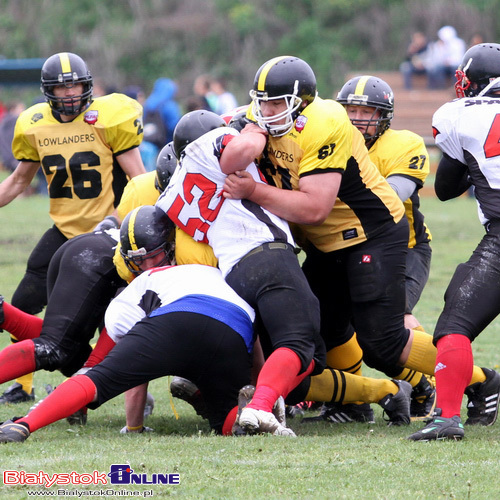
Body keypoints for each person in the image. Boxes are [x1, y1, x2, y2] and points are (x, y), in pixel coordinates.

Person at [222, 55, 497, 426]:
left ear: (301, 101)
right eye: (262, 102)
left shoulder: (326, 122)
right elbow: (229, 160)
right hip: (325, 243)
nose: (267, 110)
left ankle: (481, 381)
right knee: (313, 333)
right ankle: (355, 401)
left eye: (277, 103)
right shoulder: (258, 119)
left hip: (371, 235)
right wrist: (250, 134)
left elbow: (316, 207)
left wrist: (252, 189)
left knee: (382, 343)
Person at [157, 109, 414, 434]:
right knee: (303, 350)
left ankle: (256, 400)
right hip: (268, 258)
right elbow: (244, 155)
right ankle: (263, 407)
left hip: (231, 277)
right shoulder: (230, 151)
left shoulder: (172, 189)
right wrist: (254, 128)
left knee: (282, 361)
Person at [0, 215, 266, 442]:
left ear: (172, 246)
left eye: (153, 257)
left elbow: (111, 360)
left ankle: (24, 424)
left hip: (170, 318)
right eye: (140, 261)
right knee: (226, 418)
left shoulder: (145, 276)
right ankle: (254, 417)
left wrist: (133, 425)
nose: (148, 265)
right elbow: (254, 343)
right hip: (235, 326)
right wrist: (263, 393)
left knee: (81, 366)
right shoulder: (218, 267)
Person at [0, 52, 146, 405]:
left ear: (87, 85)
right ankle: (24, 384)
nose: (69, 94)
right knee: (22, 303)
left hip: (108, 235)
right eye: (62, 87)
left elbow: (139, 178)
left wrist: (134, 226)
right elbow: (19, 180)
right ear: (48, 91)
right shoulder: (34, 123)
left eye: (75, 85)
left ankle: (126, 388)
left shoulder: (108, 119)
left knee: (111, 318)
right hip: (63, 231)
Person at [408, 43, 500, 441]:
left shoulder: (459, 117)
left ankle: (446, 418)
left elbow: (444, 188)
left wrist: (467, 159)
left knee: (455, 324)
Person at [336, 75, 435, 420]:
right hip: (348, 247)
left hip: (402, 248)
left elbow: (389, 200)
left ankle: (460, 379)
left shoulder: (403, 143)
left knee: (391, 324)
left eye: (367, 111)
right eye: (351, 110)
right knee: (342, 327)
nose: (358, 118)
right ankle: (355, 399)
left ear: (384, 116)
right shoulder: (331, 141)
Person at [142, 77, 181, 150]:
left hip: (148, 143)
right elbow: (175, 127)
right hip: (166, 145)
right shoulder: (170, 106)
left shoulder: (147, 104)